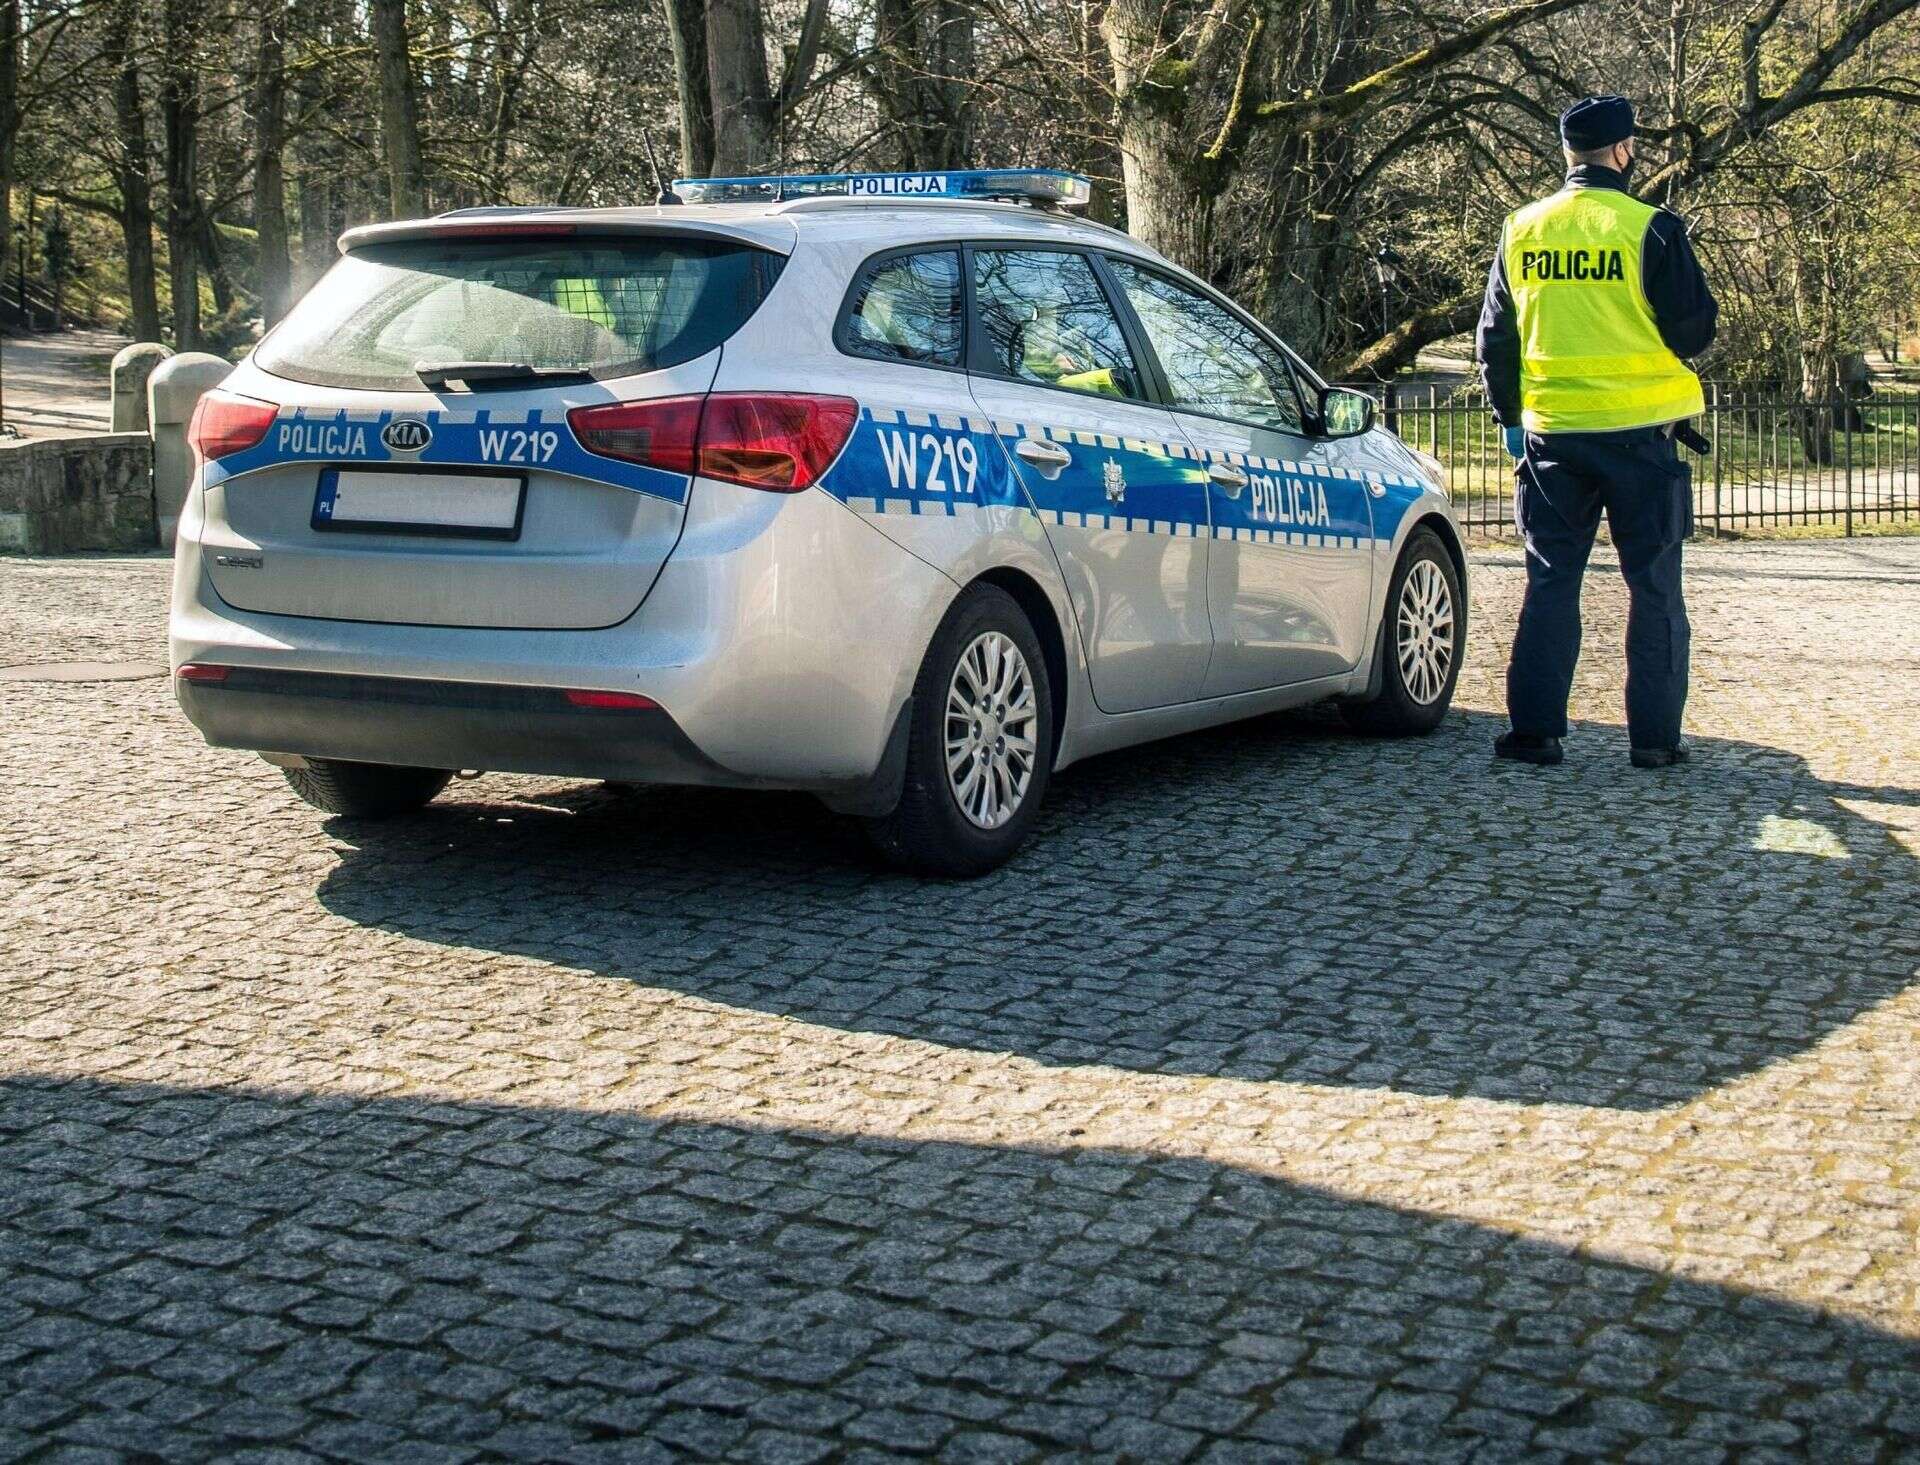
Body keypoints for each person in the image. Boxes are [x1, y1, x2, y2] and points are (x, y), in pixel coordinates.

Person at [1476, 94, 1718, 769]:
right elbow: (1694, 331)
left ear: (1566, 154)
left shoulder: (1522, 230)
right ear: (1623, 151)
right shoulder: (1653, 228)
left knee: (1551, 580)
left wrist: (1510, 420)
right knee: (1654, 586)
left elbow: (1495, 338)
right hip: (1642, 437)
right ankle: (1655, 742)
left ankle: (1533, 734)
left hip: (1554, 437)